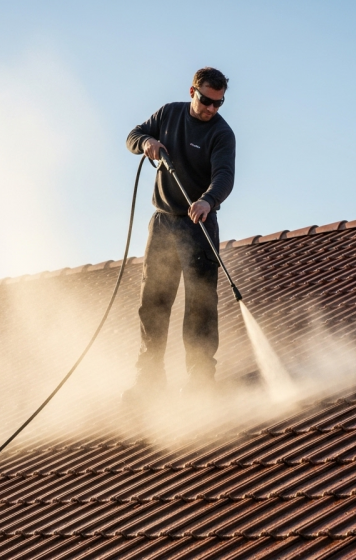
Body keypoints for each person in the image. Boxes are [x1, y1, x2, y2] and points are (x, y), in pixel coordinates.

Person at [124, 67, 236, 401]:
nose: (211, 109)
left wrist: (208, 200)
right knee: (153, 302)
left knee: (200, 304)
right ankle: (149, 381)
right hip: (162, 223)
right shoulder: (168, 114)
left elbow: (225, 176)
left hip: (198, 225)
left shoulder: (222, 134)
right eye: (206, 101)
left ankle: (201, 381)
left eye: (218, 104)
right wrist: (146, 141)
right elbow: (133, 136)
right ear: (192, 92)